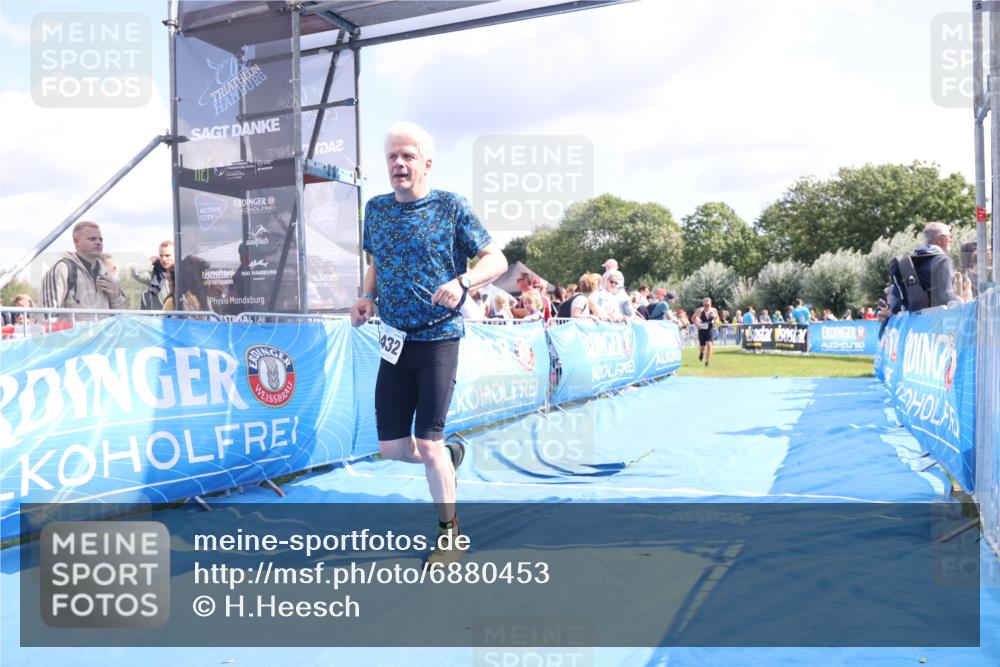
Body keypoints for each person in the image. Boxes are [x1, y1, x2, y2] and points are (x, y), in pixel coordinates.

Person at [349, 122, 507, 566]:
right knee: (393, 449)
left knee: (429, 442)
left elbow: (497, 259)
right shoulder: (376, 210)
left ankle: (449, 533)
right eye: (392, 157)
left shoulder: (451, 206)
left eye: (408, 156)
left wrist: (463, 282)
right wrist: (366, 297)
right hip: (394, 341)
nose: (399, 164)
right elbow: (377, 262)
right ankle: (451, 457)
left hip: (438, 339)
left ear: (427, 164)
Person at [41, 221, 125, 310]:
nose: (98, 242)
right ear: (76, 241)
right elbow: (48, 313)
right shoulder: (63, 269)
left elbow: (120, 314)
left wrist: (115, 296)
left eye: (101, 239)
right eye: (92, 239)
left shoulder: (106, 274)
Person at [142, 240, 175, 310]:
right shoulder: (155, 276)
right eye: (161, 256)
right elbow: (135, 272)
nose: (164, 259)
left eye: (167, 255)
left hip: (177, 316)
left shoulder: (182, 275)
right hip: (159, 316)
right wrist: (149, 262)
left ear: (176, 255)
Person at [692, 297, 720, 367]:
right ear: (703, 304)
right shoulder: (699, 310)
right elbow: (693, 318)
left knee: (710, 345)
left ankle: (707, 362)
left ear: (710, 304)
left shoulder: (714, 310)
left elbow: (717, 318)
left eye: (708, 305)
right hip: (701, 330)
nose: (706, 306)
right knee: (702, 347)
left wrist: (716, 321)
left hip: (710, 329)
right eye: (705, 305)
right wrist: (696, 324)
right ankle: (701, 353)